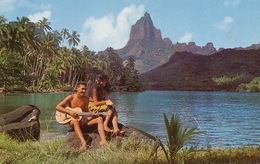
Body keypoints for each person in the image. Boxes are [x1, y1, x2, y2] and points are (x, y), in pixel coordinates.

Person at [56, 81, 107, 150]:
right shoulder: (71, 97)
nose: (84, 91)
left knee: (100, 119)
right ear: (77, 88)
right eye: (82, 89)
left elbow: (86, 112)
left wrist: (92, 115)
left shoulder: (86, 99)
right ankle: (83, 143)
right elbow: (58, 107)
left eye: (85, 89)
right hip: (73, 120)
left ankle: (103, 140)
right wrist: (70, 112)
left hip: (82, 120)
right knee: (75, 120)